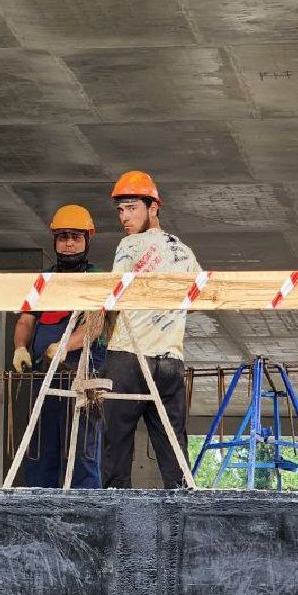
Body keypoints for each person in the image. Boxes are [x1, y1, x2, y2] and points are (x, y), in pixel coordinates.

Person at [98, 171, 198, 489]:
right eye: (121, 210)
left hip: (128, 358)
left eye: (132, 208)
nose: (124, 217)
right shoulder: (184, 251)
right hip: (170, 363)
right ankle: (183, 515)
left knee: (116, 446)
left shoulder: (129, 245)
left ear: (153, 207)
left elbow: (111, 299)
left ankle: (116, 514)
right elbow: (197, 299)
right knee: (174, 451)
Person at [11, 204, 104, 488]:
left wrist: (65, 346)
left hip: (82, 374)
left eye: (75, 237)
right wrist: (20, 347)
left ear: (87, 239)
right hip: (44, 373)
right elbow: (25, 321)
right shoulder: (44, 281)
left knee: (82, 448)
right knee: (40, 447)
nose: (69, 243)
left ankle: (87, 507)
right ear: (55, 240)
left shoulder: (98, 279)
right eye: (63, 237)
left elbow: (94, 325)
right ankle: (40, 507)